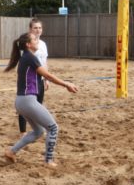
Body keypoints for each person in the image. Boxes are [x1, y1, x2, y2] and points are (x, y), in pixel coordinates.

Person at [4, 33, 78, 168]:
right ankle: (48, 161)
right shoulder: (30, 58)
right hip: (27, 101)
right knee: (53, 128)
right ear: (28, 44)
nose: (37, 41)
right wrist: (66, 84)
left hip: (21, 101)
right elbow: (48, 75)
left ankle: (11, 151)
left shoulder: (25, 58)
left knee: (38, 131)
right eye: (35, 40)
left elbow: (43, 77)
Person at [18, 18, 49, 137]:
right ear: (30, 29)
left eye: (40, 27)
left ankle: (38, 129)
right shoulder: (27, 43)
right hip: (29, 79)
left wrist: (46, 80)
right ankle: (23, 131)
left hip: (40, 78)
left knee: (38, 104)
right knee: (25, 104)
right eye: (35, 27)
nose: (38, 30)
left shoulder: (43, 44)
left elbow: (44, 62)